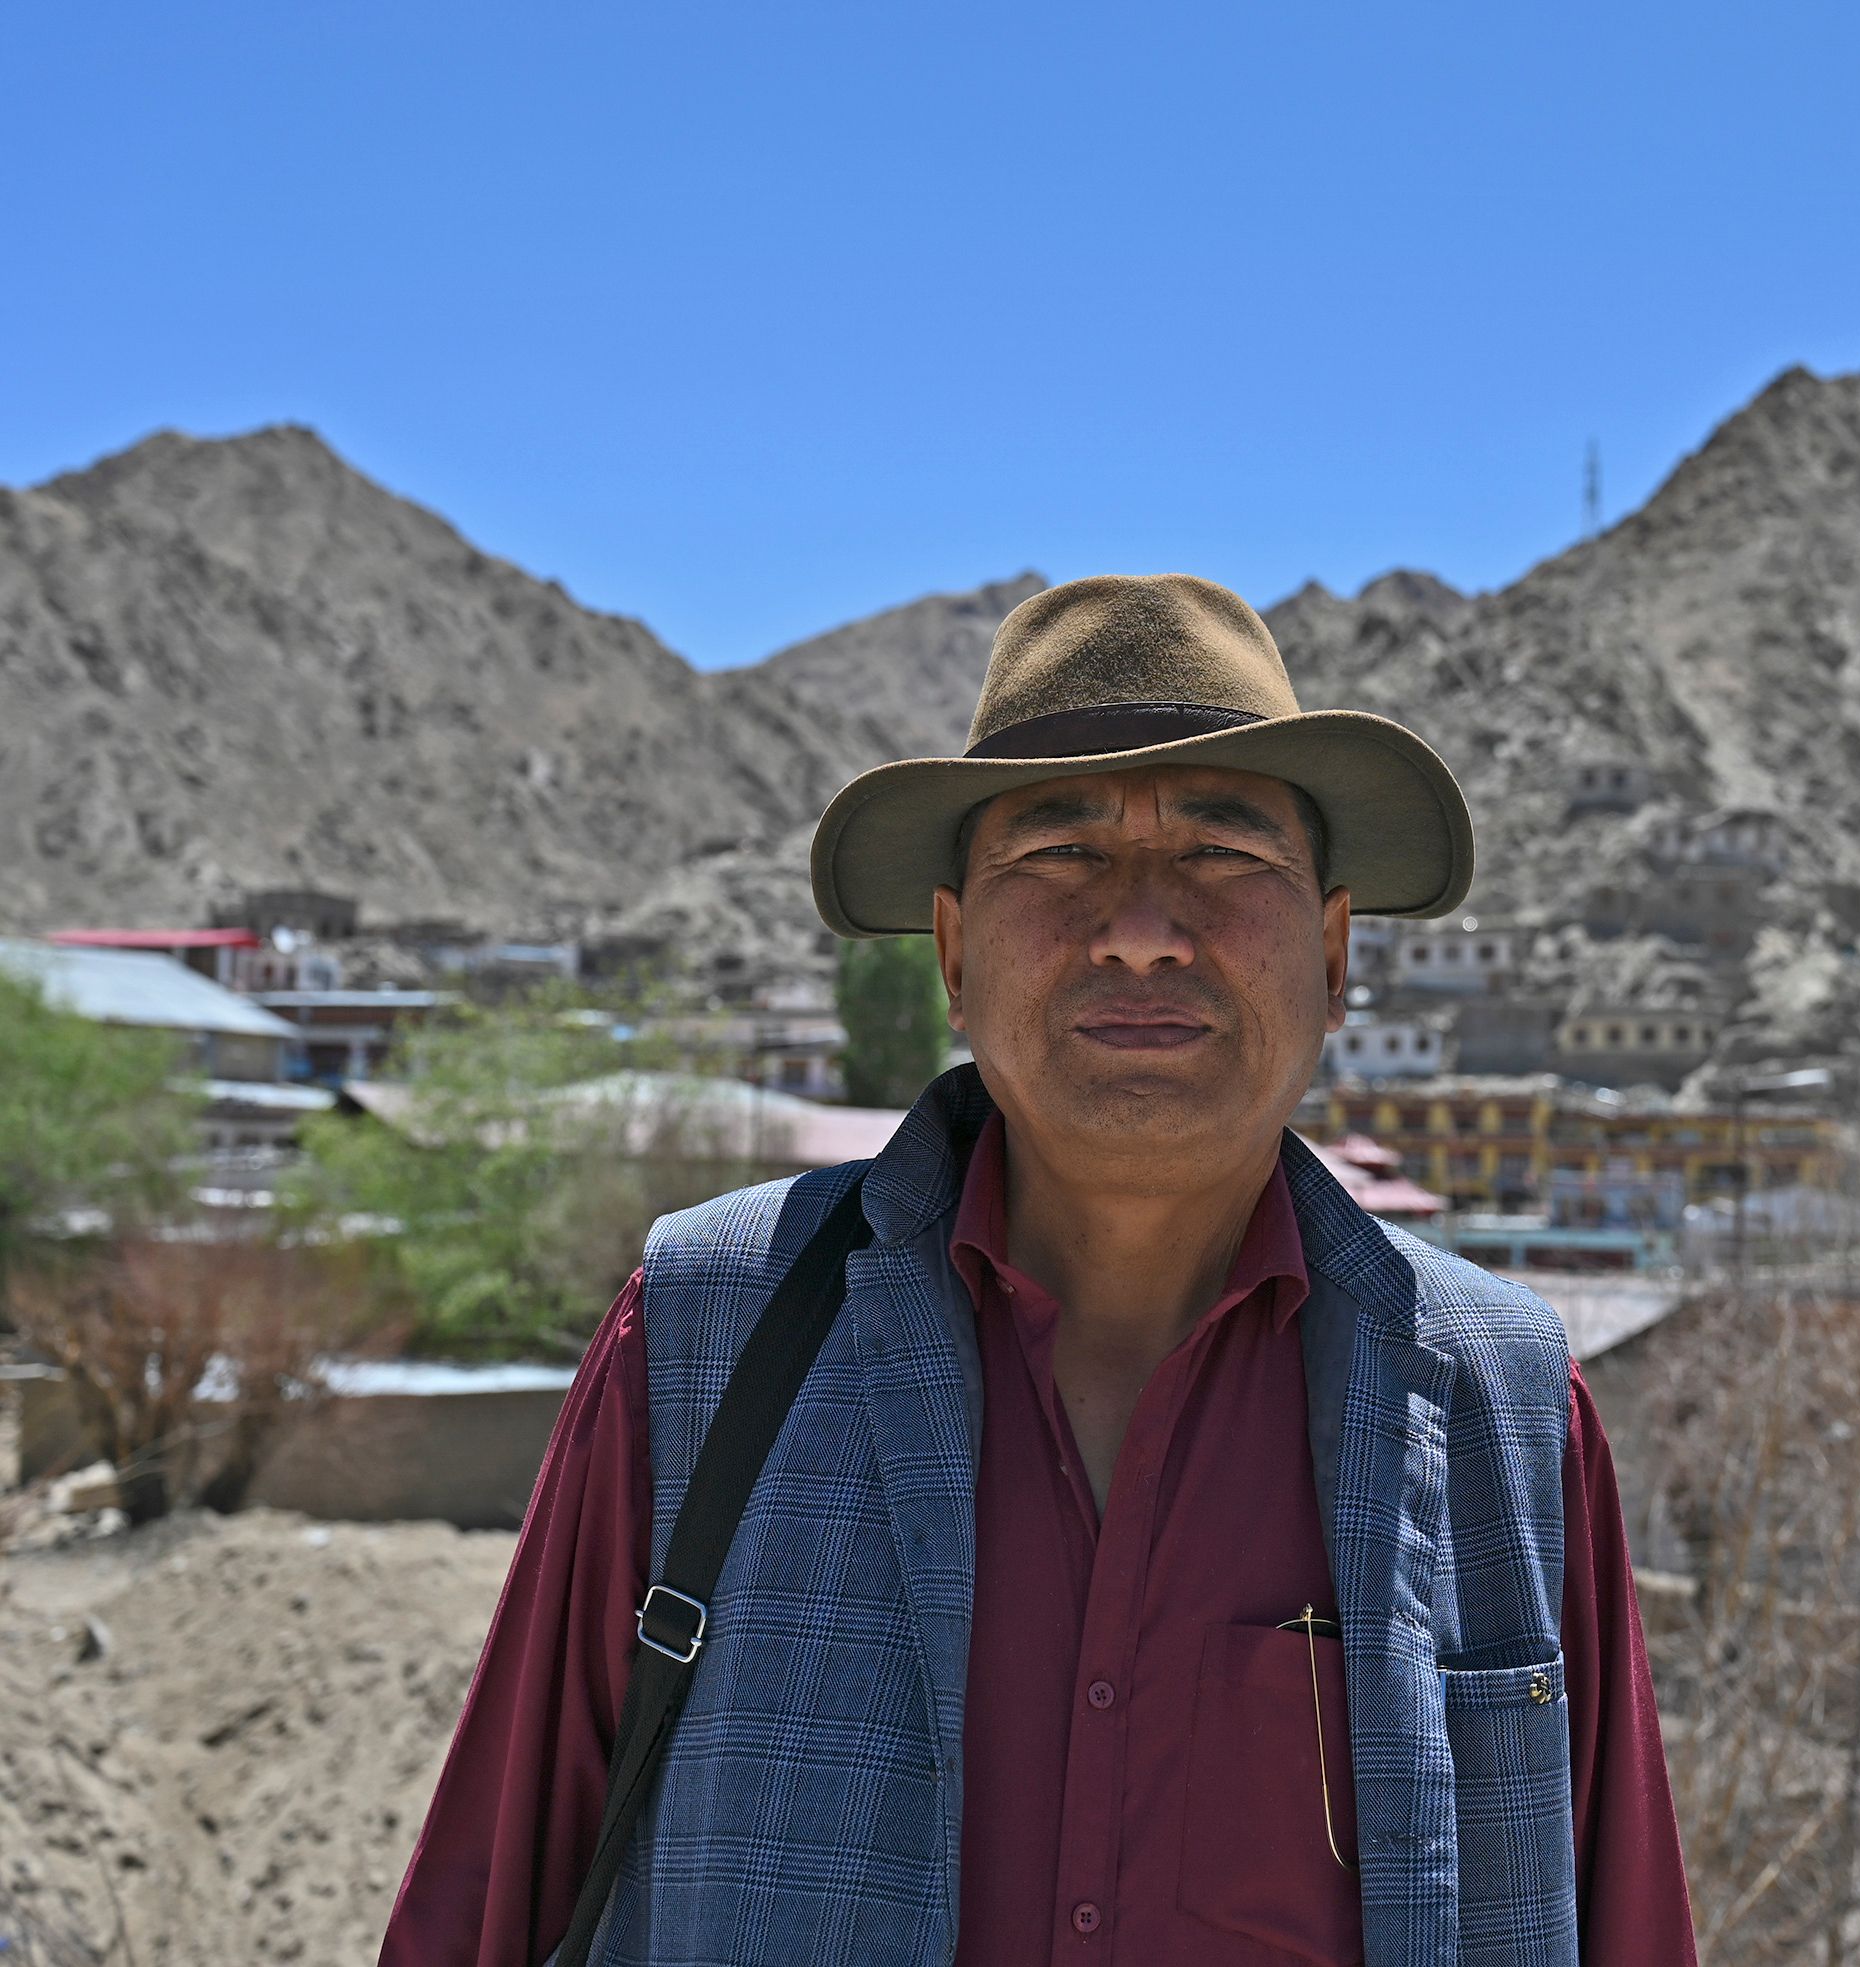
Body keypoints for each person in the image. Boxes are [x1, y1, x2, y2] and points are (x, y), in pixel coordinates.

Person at [382, 574, 1698, 1965]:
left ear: (1331, 950)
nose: (1140, 928)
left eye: (1223, 854)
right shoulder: (711, 1329)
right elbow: (487, 1903)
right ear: (953, 951)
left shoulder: (1501, 1406)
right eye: (1059, 855)